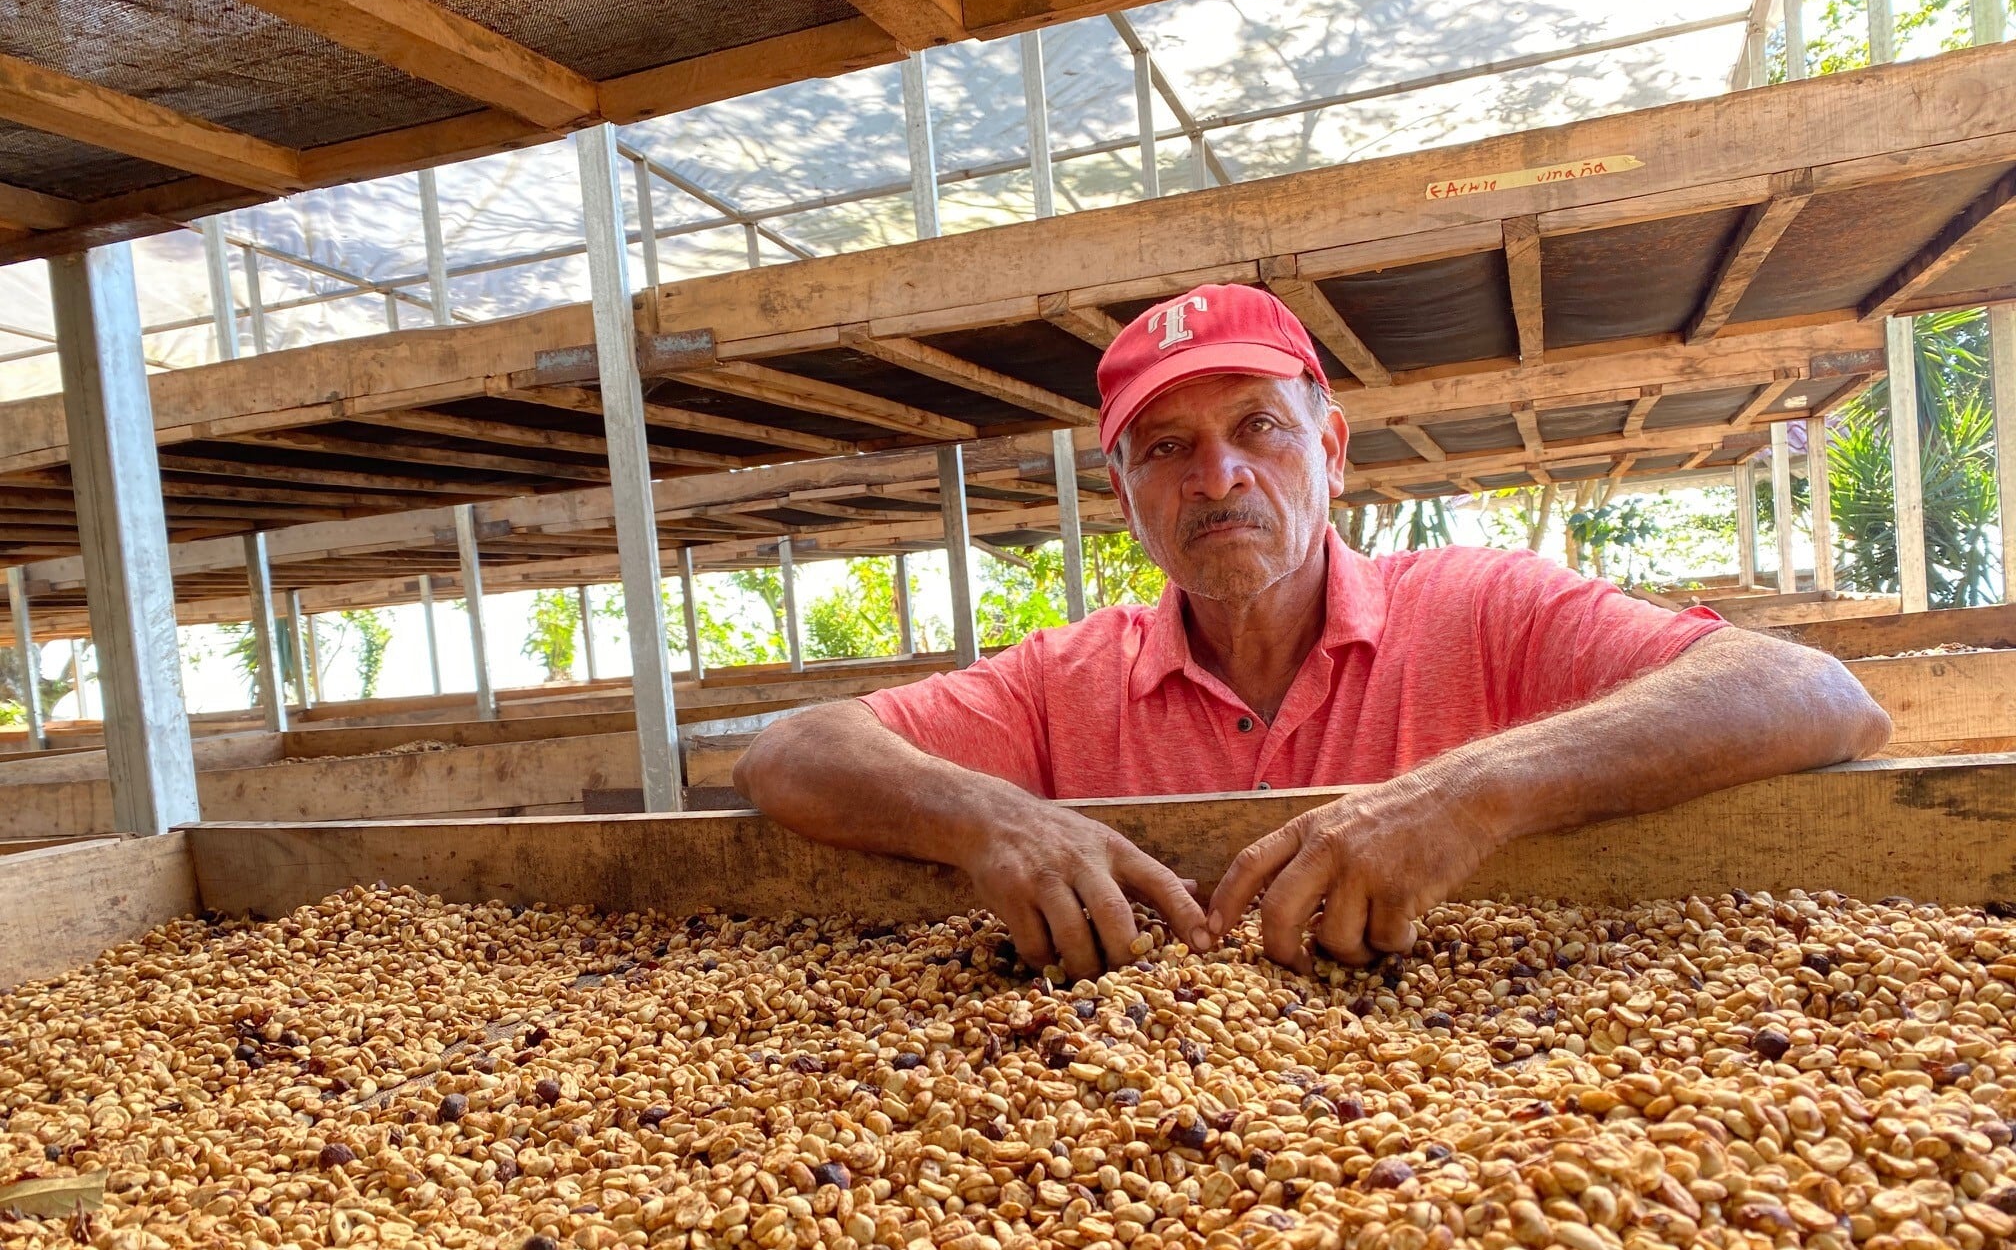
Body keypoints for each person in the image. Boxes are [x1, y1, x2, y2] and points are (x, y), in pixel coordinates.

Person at [735, 283, 1890, 977]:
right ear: (1125, 493)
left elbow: (1819, 695)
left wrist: (1469, 796)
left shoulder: (1482, 607)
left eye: (1258, 427)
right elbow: (789, 752)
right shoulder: (1063, 679)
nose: (1218, 475)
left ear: (1331, 451)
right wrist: (991, 821)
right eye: (1167, 447)